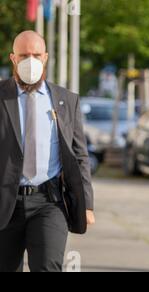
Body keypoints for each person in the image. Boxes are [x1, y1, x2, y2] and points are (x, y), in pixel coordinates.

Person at [0, 31, 95, 272]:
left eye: (35, 55)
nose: (29, 61)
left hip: (49, 202)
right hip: (4, 202)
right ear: (12, 58)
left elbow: (79, 154)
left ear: (45, 58)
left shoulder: (66, 100)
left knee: (48, 266)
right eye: (23, 55)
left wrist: (87, 203)